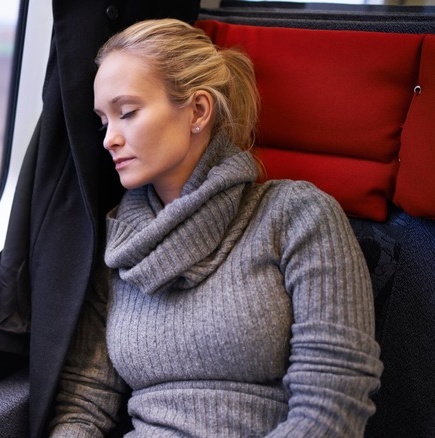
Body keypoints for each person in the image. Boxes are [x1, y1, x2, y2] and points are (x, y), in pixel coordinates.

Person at [48, 18, 383, 437]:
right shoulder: (121, 245)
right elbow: (84, 401)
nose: (108, 139)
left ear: (198, 111)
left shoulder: (298, 215)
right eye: (104, 121)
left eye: (128, 113)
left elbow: (333, 406)